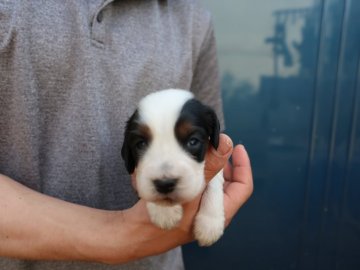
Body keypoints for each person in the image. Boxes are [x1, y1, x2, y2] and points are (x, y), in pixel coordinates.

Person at [0, 1, 253, 270]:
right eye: (142, 143)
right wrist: (124, 235)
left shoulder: (191, 16)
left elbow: (212, 156)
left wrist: (212, 202)